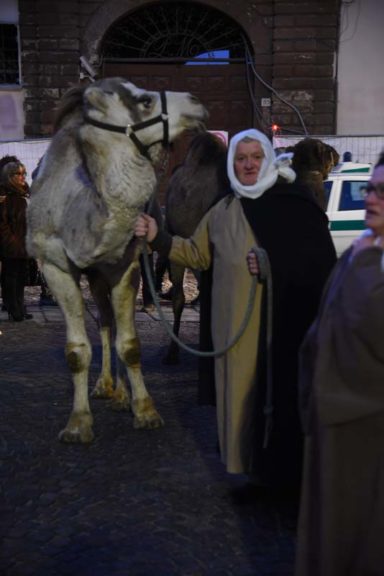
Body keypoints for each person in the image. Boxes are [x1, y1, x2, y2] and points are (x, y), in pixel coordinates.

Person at [134, 129, 336, 496]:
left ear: (268, 160)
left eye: (255, 158)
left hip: (274, 333)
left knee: (270, 399)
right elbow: (196, 254)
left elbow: (318, 262)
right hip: (230, 334)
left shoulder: (294, 203)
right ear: (232, 163)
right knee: (237, 401)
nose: (247, 164)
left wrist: (273, 264)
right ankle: (251, 472)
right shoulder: (224, 208)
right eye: (240, 158)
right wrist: (156, 236)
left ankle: (278, 478)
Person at [295, 153, 384, 576]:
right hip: (333, 421)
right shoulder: (360, 253)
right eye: (372, 188)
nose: (372, 198)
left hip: (369, 430)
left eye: (383, 191)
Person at [0, 161, 33, 321]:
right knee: (11, 277)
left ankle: (20, 307)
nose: (22, 177)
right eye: (18, 174)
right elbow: (2, 223)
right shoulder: (4, 194)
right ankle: (13, 309)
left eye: (23, 173)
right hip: (12, 244)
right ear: (9, 176)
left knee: (21, 277)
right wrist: (11, 242)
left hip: (25, 242)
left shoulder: (24, 191)